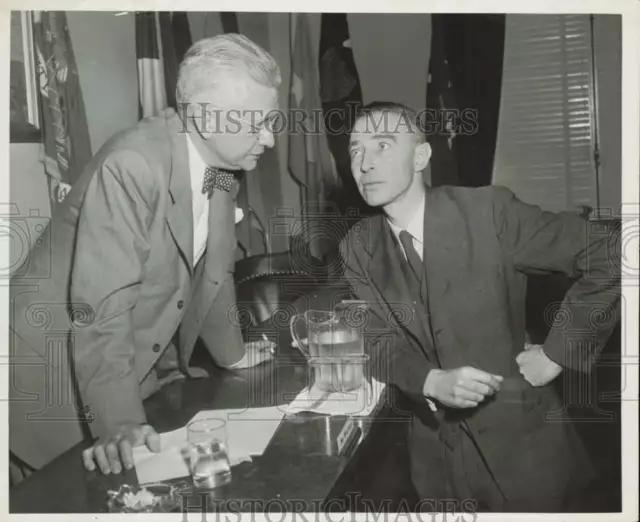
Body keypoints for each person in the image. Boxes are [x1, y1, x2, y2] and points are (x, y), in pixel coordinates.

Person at [9, 33, 281, 475]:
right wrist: (120, 424)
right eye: (257, 123)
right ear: (205, 116)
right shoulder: (134, 164)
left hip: (121, 367)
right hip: (46, 375)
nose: (269, 139)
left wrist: (232, 354)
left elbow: (215, 269)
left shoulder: (224, 165)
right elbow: (100, 307)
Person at [338, 101, 620, 511]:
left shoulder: (488, 212)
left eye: (383, 145)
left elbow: (611, 252)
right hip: (434, 468)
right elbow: (376, 337)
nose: (365, 163)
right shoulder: (357, 246)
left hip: (523, 456)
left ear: (421, 155)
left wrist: (559, 353)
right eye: (355, 150)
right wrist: (429, 381)